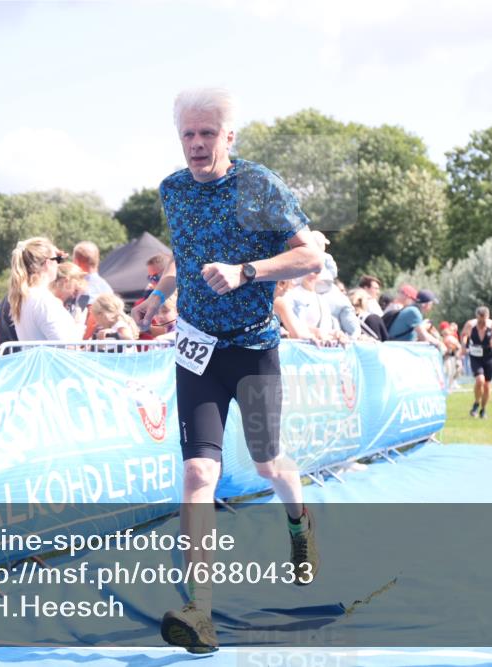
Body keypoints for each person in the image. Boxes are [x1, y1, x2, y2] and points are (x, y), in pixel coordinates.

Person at [129, 88, 322, 654]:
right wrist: (157, 295)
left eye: (207, 133)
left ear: (229, 137)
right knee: (197, 476)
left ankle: (299, 521)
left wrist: (247, 270)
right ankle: (200, 611)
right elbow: (184, 258)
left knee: (267, 462)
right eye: (187, 133)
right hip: (198, 350)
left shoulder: (258, 185)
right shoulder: (172, 190)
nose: (196, 143)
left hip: (254, 349)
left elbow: (311, 256)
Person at [8, 237, 84, 342]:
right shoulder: (43, 300)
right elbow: (69, 345)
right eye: (57, 260)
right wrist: (80, 324)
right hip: (51, 358)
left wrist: (51, 252)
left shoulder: (24, 297)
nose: (58, 264)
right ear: (48, 263)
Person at [460, 306, 492, 418]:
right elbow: (464, 335)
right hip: (475, 357)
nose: (482, 323)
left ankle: (483, 409)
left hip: (489, 357)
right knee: (480, 380)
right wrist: (464, 346)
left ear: (488, 317)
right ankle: (476, 402)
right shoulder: (470, 325)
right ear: (477, 317)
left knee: (487, 385)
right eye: (480, 320)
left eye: (484, 321)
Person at [72, 241, 113, 307]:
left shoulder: (83, 289)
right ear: (97, 260)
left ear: (76, 262)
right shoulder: (106, 288)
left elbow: (87, 314)